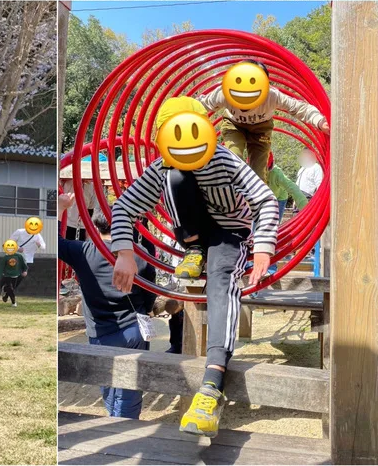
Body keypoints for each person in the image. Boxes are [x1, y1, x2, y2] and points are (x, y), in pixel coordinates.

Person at [110, 97, 279, 437]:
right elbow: (123, 207)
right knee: (175, 176)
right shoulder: (164, 164)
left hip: (231, 233)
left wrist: (262, 247)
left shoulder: (225, 159)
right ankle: (194, 247)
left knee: (221, 283)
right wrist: (124, 252)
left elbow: (265, 199)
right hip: (193, 231)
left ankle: (211, 388)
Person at [58, 193, 156, 419]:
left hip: (99, 332)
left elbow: (54, 241)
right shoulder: (140, 256)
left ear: (95, 225)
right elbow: (149, 290)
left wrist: (61, 208)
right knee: (129, 387)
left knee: (108, 384)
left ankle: (115, 425)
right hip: (132, 329)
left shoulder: (82, 251)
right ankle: (123, 429)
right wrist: (147, 309)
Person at [196, 61, 329, 182]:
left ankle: (257, 204)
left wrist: (319, 121)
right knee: (233, 161)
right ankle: (235, 201)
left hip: (261, 130)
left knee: (258, 175)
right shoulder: (225, 93)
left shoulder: (272, 96)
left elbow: (299, 107)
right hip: (234, 125)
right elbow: (200, 105)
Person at [266, 152, 308, 222]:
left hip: (279, 198)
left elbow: (293, 188)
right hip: (265, 198)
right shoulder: (250, 172)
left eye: (267, 169)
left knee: (274, 222)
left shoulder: (276, 173)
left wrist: (306, 209)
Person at [0, 241, 28, 307]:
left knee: (12, 288)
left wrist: (25, 271)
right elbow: (1, 267)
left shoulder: (19, 256)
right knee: (10, 288)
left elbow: (24, 265)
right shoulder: (5, 258)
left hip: (17, 275)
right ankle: (13, 302)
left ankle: (5, 292)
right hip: (7, 275)